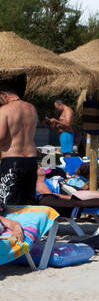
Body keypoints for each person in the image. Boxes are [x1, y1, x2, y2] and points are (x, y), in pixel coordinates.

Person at [0, 76, 39, 208]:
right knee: (28, 203)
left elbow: (1, 136)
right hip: (31, 160)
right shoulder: (32, 108)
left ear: (4, 95)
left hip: (12, 160)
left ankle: (12, 228)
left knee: (8, 203)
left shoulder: (4, 110)